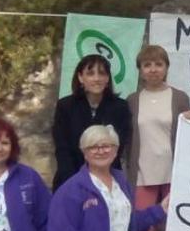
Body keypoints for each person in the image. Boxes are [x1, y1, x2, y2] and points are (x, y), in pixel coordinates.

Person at [126, 45, 190, 231]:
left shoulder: (179, 97)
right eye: (147, 65)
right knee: (142, 230)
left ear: (166, 67)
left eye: (158, 64)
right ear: (140, 70)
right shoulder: (133, 100)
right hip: (143, 173)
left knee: (174, 230)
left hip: (173, 172)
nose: (153, 69)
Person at [52, 54, 132, 190]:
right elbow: (62, 148)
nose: (97, 79)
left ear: (107, 79)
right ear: (80, 77)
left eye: (102, 73)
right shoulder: (65, 106)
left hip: (108, 178)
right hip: (70, 178)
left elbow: (117, 148)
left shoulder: (120, 107)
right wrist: (76, 182)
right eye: (90, 73)